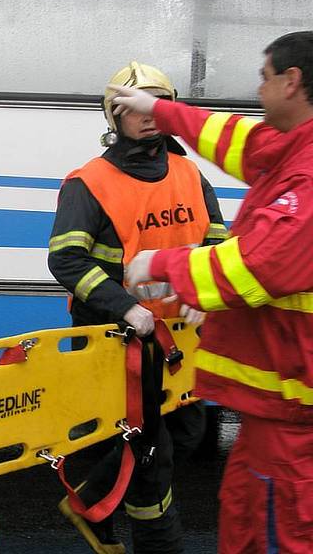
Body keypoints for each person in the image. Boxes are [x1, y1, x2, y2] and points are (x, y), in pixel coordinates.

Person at [117, 32, 313, 553]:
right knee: (247, 525)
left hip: (296, 419)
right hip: (274, 413)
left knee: (281, 535)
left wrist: (163, 267)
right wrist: (164, 110)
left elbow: (262, 264)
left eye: (265, 76)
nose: (258, 87)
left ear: (291, 82)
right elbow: (236, 141)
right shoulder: (295, 144)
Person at [48, 62, 227, 554]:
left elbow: (217, 244)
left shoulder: (190, 174)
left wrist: (203, 293)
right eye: (132, 107)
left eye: (155, 104)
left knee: (187, 432)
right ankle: (157, 544)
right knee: (151, 456)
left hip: (179, 341)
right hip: (116, 341)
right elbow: (65, 258)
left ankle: (89, 500)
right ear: (115, 117)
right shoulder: (89, 182)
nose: (146, 117)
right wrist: (124, 306)